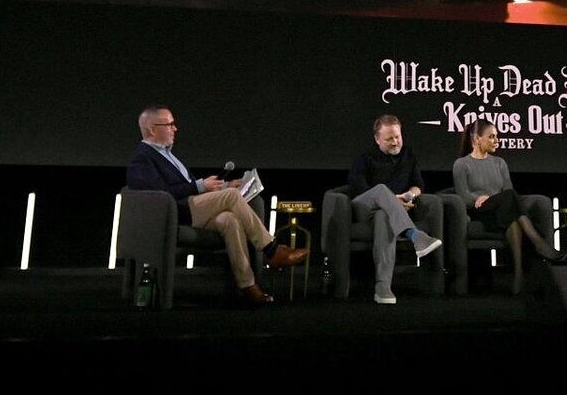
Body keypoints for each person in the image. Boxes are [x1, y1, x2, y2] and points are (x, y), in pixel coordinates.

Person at [125, 105, 305, 306]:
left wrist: (224, 185)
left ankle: (248, 286)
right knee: (231, 197)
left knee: (230, 220)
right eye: (169, 124)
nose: (175, 129)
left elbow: (189, 187)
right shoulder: (142, 157)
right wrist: (201, 186)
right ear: (151, 129)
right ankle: (271, 250)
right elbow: (159, 193)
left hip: (192, 208)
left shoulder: (169, 155)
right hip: (175, 213)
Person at [453, 118, 561, 294]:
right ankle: (538, 242)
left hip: (501, 210)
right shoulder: (462, 164)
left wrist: (493, 198)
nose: (497, 140)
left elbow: (508, 191)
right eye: (491, 136)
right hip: (479, 211)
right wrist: (481, 198)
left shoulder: (500, 163)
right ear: (477, 139)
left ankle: (518, 275)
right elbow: (463, 195)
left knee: (513, 218)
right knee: (510, 200)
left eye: (497, 136)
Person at [347, 115, 446, 305]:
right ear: (377, 139)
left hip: (388, 212)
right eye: (389, 139)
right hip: (364, 206)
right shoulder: (365, 157)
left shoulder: (408, 154)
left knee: (383, 216)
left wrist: (409, 196)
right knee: (381, 190)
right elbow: (359, 189)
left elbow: (418, 185)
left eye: (397, 137)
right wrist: (392, 200)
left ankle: (383, 286)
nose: (395, 142)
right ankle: (416, 236)